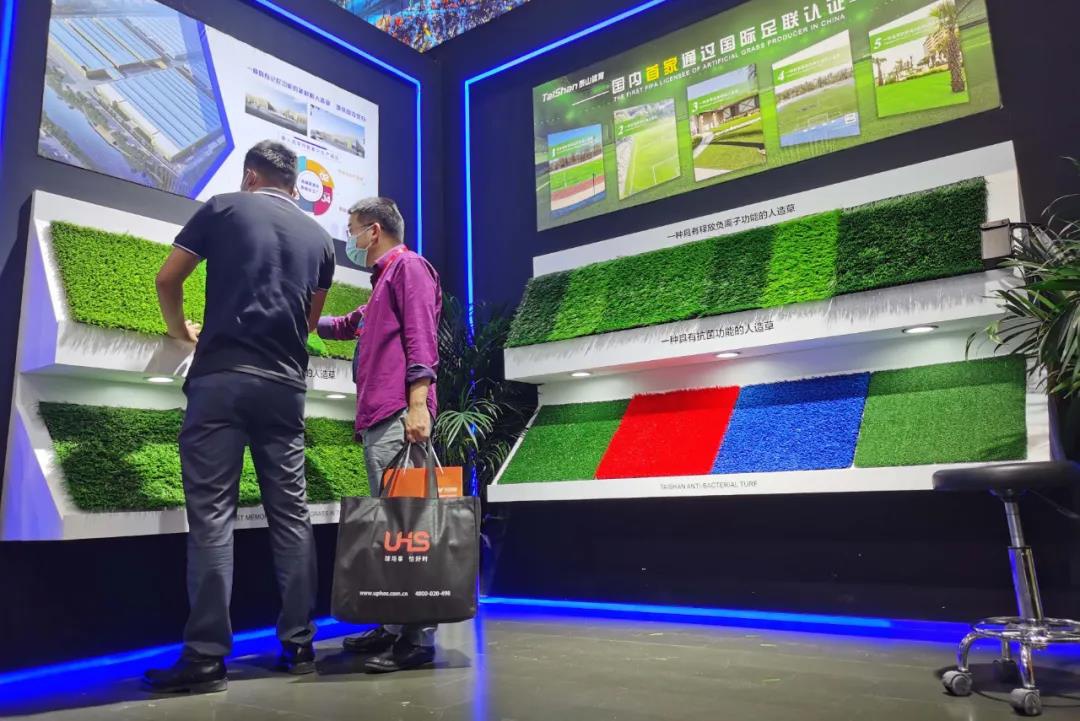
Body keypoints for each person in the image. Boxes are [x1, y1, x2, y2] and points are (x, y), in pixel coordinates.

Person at [144, 141, 336, 693]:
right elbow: (310, 320)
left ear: (251, 175)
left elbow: (167, 279)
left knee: (213, 517)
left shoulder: (222, 208)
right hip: (286, 387)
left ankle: (206, 658)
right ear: (293, 184)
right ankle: (300, 645)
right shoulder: (321, 239)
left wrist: (182, 333)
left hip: (221, 379)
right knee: (291, 515)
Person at [315, 197, 442, 674]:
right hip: (378, 419)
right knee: (392, 531)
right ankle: (392, 625)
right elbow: (345, 326)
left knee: (408, 528)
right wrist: (301, 314)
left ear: (373, 230)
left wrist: (418, 405)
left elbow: (421, 338)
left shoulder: (409, 268)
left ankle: (417, 638)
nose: (349, 238)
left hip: (398, 416)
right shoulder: (382, 282)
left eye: (352, 229)